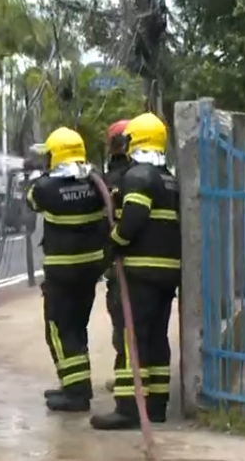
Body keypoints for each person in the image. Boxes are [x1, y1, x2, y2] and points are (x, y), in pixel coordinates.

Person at [90, 112, 182, 431]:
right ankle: (156, 405)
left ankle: (129, 407)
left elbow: (133, 220)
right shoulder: (169, 177)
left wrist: (113, 243)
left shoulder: (138, 176)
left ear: (135, 141)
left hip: (141, 269)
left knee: (133, 338)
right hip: (167, 272)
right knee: (156, 337)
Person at [26, 127, 110, 412]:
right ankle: (76, 386)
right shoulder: (95, 184)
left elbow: (31, 201)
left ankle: (76, 394)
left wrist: (38, 173)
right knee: (76, 327)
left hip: (62, 272)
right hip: (90, 270)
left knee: (59, 329)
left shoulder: (45, 188)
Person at [100, 119, 132, 394]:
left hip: (123, 264)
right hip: (154, 265)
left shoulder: (114, 179)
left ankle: (127, 380)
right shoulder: (151, 174)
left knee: (124, 323)